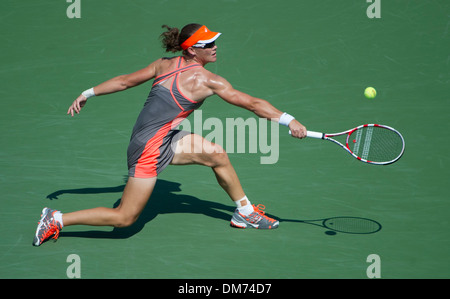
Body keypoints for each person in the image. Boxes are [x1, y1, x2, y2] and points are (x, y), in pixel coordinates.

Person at [33, 23, 307, 246]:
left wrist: (87, 93)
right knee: (125, 219)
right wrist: (289, 120)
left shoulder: (164, 64)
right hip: (147, 148)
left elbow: (125, 81)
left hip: (165, 137)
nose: (214, 48)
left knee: (216, 154)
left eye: (214, 42)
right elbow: (252, 104)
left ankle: (244, 213)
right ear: (191, 51)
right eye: (207, 45)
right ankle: (56, 219)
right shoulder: (207, 81)